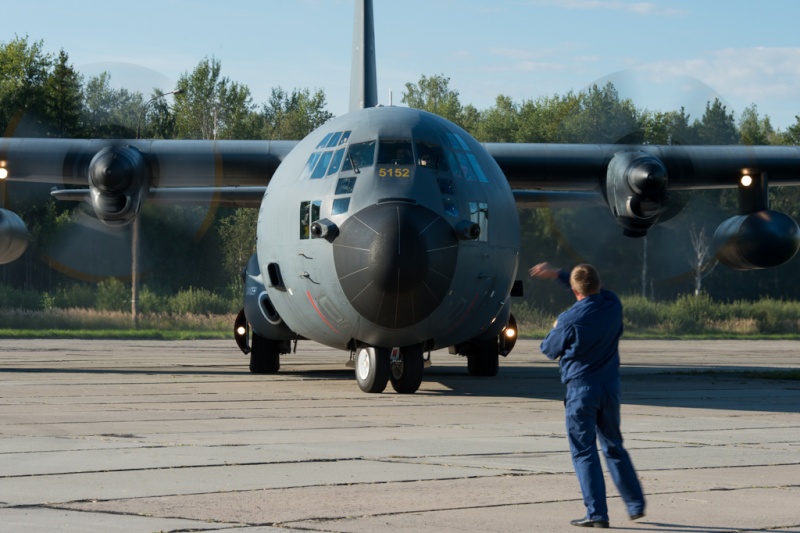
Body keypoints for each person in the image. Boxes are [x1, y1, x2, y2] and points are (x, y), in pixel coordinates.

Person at [529, 262, 645, 529]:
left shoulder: (570, 318)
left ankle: (597, 514)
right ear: (599, 284)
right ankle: (635, 504)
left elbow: (548, 349)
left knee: (584, 452)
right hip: (610, 388)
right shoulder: (612, 303)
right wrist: (560, 274)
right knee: (614, 447)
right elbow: (590, 289)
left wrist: (557, 324)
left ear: (573, 289)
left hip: (582, 390)